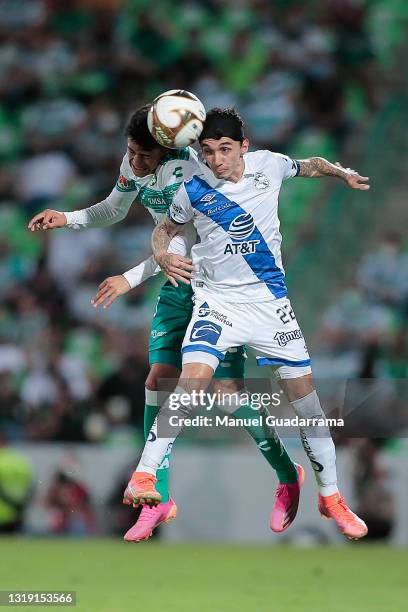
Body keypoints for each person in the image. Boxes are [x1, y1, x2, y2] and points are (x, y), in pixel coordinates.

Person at [28, 105, 302, 541]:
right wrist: (69, 218)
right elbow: (114, 210)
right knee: (157, 379)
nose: (134, 162)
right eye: (130, 153)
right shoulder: (136, 160)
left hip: (214, 283)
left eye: (143, 155)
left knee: (229, 395)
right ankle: (158, 496)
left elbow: (184, 243)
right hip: (177, 282)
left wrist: (128, 278)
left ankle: (288, 473)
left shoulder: (191, 173)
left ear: (168, 150)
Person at [131, 107, 370, 540]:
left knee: (307, 403)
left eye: (225, 149)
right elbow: (164, 230)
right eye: (207, 151)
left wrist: (340, 172)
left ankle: (330, 496)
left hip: (269, 305)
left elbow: (310, 165)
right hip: (217, 305)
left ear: (244, 146)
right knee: (192, 383)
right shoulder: (192, 188)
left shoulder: (270, 165)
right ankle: (146, 476)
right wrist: (163, 253)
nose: (217, 160)